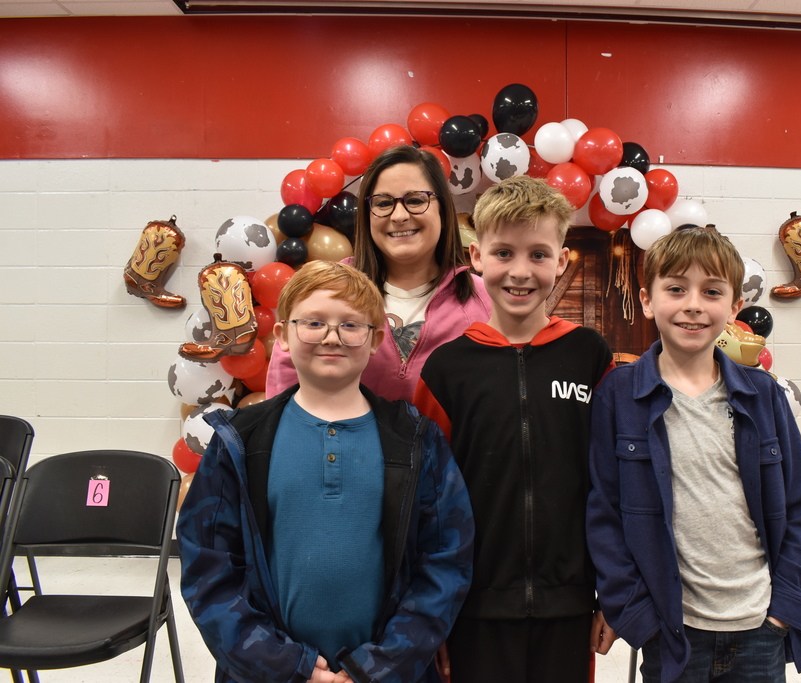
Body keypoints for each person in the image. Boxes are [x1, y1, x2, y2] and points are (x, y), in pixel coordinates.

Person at [178, 260, 474, 683]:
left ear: (375, 340)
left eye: (351, 325)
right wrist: (289, 666)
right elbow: (209, 569)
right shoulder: (240, 441)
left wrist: (376, 667)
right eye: (313, 322)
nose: (332, 337)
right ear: (281, 336)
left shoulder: (415, 440)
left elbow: (447, 560)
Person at [585, 226, 801, 683]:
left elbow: (799, 505)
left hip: (759, 626)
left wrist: (785, 608)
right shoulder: (619, 394)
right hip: (673, 631)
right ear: (648, 300)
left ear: (733, 309)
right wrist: (634, 612)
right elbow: (604, 513)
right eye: (675, 289)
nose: (693, 304)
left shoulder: (763, 395)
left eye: (711, 291)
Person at [413, 175, 617, 683]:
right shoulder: (446, 369)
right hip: (472, 605)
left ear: (562, 260)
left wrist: (613, 594)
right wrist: (430, 613)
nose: (520, 272)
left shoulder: (590, 355)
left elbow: (610, 483)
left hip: (569, 602)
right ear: (476, 258)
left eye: (538, 255)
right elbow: (423, 498)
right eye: (504, 253)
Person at [266, 145, 491, 403]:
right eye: (383, 203)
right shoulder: (322, 292)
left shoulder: (484, 300)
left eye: (416, 200)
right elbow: (283, 396)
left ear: (443, 208)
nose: (399, 216)